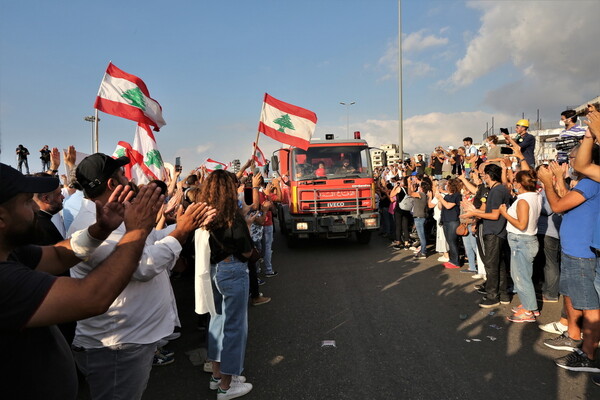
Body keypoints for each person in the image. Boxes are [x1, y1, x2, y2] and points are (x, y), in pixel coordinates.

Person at [0, 162, 167, 400]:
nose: (36, 209)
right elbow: (92, 297)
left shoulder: (12, 253)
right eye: (27, 202)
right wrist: (137, 231)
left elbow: (58, 254)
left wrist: (101, 229)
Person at [68, 153, 215, 400]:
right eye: (122, 175)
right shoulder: (90, 223)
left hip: (130, 341)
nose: (129, 179)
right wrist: (181, 231)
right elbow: (141, 266)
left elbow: (147, 241)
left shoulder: (111, 213)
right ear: (112, 185)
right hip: (118, 345)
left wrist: (183, 224)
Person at [199, 170, 254, 400]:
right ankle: (226, 384)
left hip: (212, 269)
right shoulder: (232, 215)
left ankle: (217, 374)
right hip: (232, 270)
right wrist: (247, 224)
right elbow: (247, 250)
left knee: (217, 321)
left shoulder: (204, 213)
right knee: (234, 327)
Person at [461, 164, 511, 308]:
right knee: (498, 264)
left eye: (483, 173)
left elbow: (495, 215)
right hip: (497, 231)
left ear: (489, 175)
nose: (482, 175)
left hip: (494, 231)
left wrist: (473, 213)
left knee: (491, 265)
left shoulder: (496, 191)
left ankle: (492, 296)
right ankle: (503, 294)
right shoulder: (498, 189)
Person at [499, 170, 542, 323]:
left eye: (515, 181)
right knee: (524, 276)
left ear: (519, 183)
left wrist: (505, 213)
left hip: (521, 240)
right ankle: (529, 305)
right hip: (525, 240)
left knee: (521, 277)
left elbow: (522, 224)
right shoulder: (535, 196)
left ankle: (528, 310)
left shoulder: (524, 200)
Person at [436, 178, 462, 268]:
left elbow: (448, 206)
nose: (446, 186)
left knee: (452, 241)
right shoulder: (447, 196)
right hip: (445, 220)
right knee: (449, 241)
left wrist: (441, 198)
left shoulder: (456, 196)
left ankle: (456, 261)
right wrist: (439, 199)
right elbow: (441, 207)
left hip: (453, 221)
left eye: (448, 184)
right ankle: (452, 259)